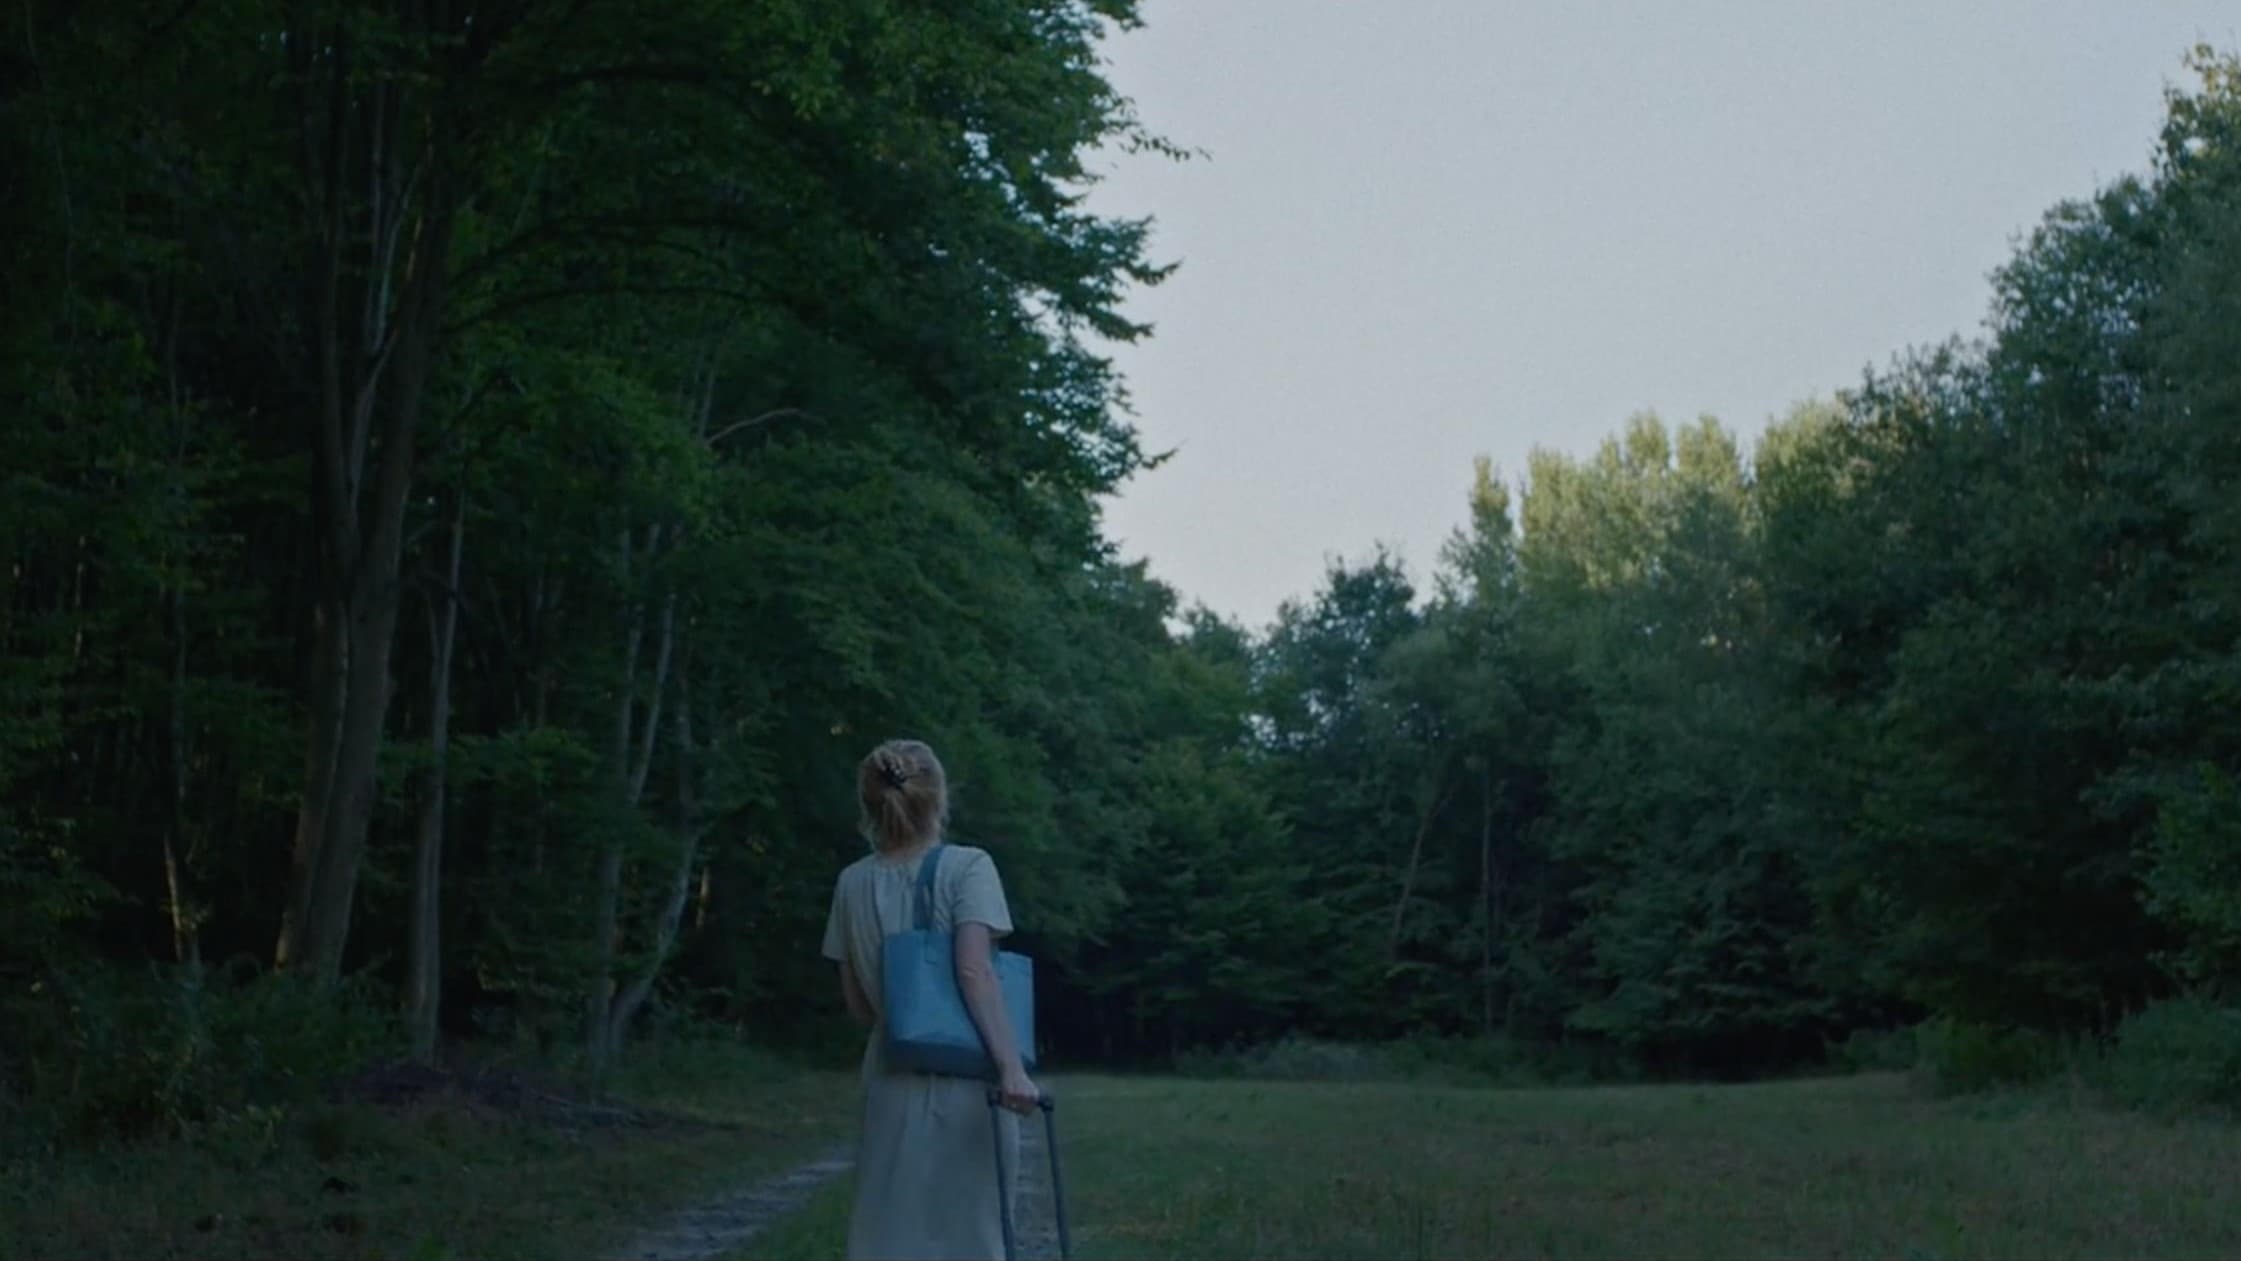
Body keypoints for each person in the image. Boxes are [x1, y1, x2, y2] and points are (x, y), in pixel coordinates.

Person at [820, 738, 1041, 1261]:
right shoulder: (969, 867)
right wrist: (1012, 1069)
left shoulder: (850, 883)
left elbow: (858, 1006)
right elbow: (974, 969)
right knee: (972, 1235)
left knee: (888, 1236)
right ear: (939, 797)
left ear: (870, 804)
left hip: (889, 1079)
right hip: (967, 1085)